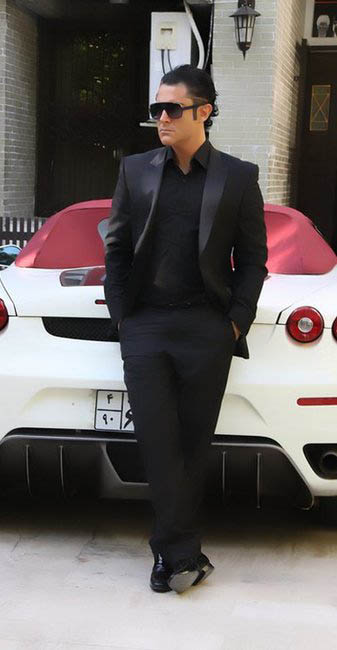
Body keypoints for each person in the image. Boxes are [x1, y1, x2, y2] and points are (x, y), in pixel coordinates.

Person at [103, 65, 268, 594]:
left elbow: (254, 259)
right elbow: (117, 247)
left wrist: (235, 322)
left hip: (207, 327)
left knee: (195, 444)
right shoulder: (135, 171)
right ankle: (180, 551)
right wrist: (123, 318)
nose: (162, 118)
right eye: (157, 109)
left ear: (204, 111)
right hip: (146, 326)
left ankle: (172, 555)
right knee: (157, 440)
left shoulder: (238, 177)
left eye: (172, 108)